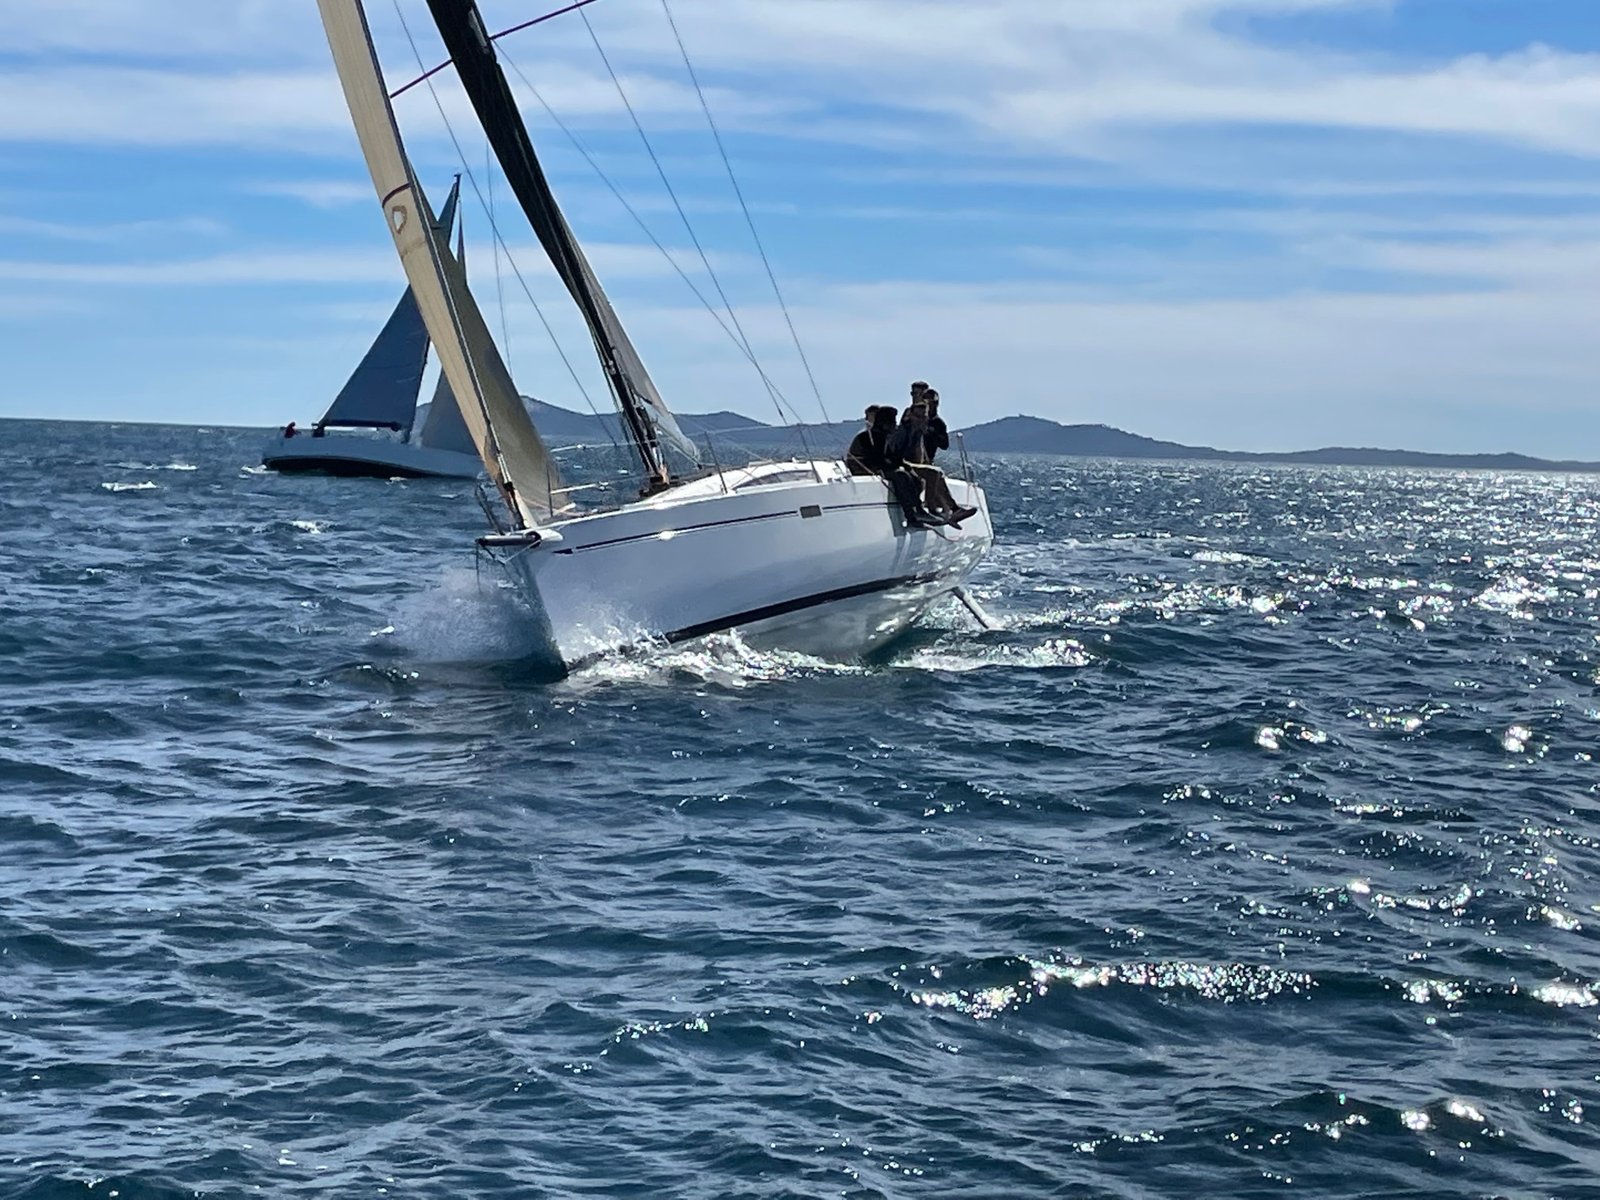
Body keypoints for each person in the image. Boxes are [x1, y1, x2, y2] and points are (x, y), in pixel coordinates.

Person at [891, 399, 976, 527]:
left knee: (938, 474)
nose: (921, 419)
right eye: (918, 416)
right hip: (900, 464)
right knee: (933, 473)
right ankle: (931, 510)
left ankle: (954, 510)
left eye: (924, 416)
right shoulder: (903, 432)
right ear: (911, 416)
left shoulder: (919, 431)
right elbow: (895, 454)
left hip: (909, 464)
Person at [846, 405, 885, 476]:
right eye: (867, 416)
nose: (866, 419)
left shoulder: (883, 434)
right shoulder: (864, 436)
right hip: (863, 471)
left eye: (870, 416)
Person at [923, 388, 949, 463]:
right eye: (926, 402)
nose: (929, 405)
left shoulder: (939, 423)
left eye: (931, 402)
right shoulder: (915, 418)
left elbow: (944, 445)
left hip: (927, 460)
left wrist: (933, 433)